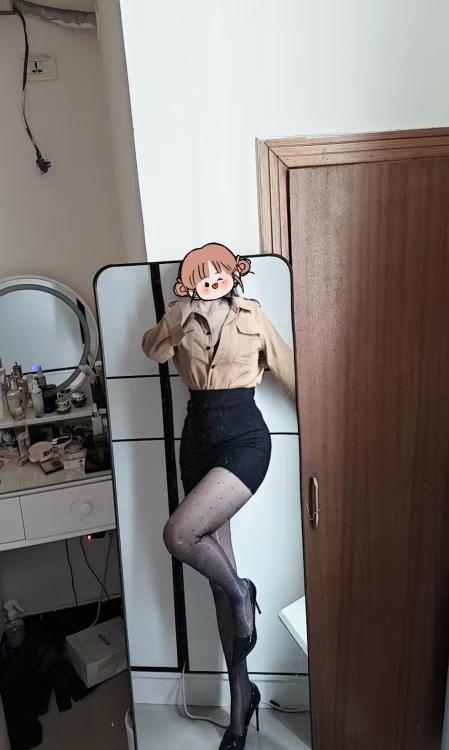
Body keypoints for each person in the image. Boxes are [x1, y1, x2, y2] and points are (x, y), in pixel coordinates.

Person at [141, 242, 295, 750]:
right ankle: (240, 705)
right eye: (200, 275)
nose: (211, 280)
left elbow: (290, 371)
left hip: (245, 437)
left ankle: (243, 591)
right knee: (217, 582)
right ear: (190, 282)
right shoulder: (180, 317)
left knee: (178, 534)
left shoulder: (252, 315)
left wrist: (334, 426)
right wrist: (177, 314)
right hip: (197, 441)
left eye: (218, 272)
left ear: (232, 274)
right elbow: (152, 351)